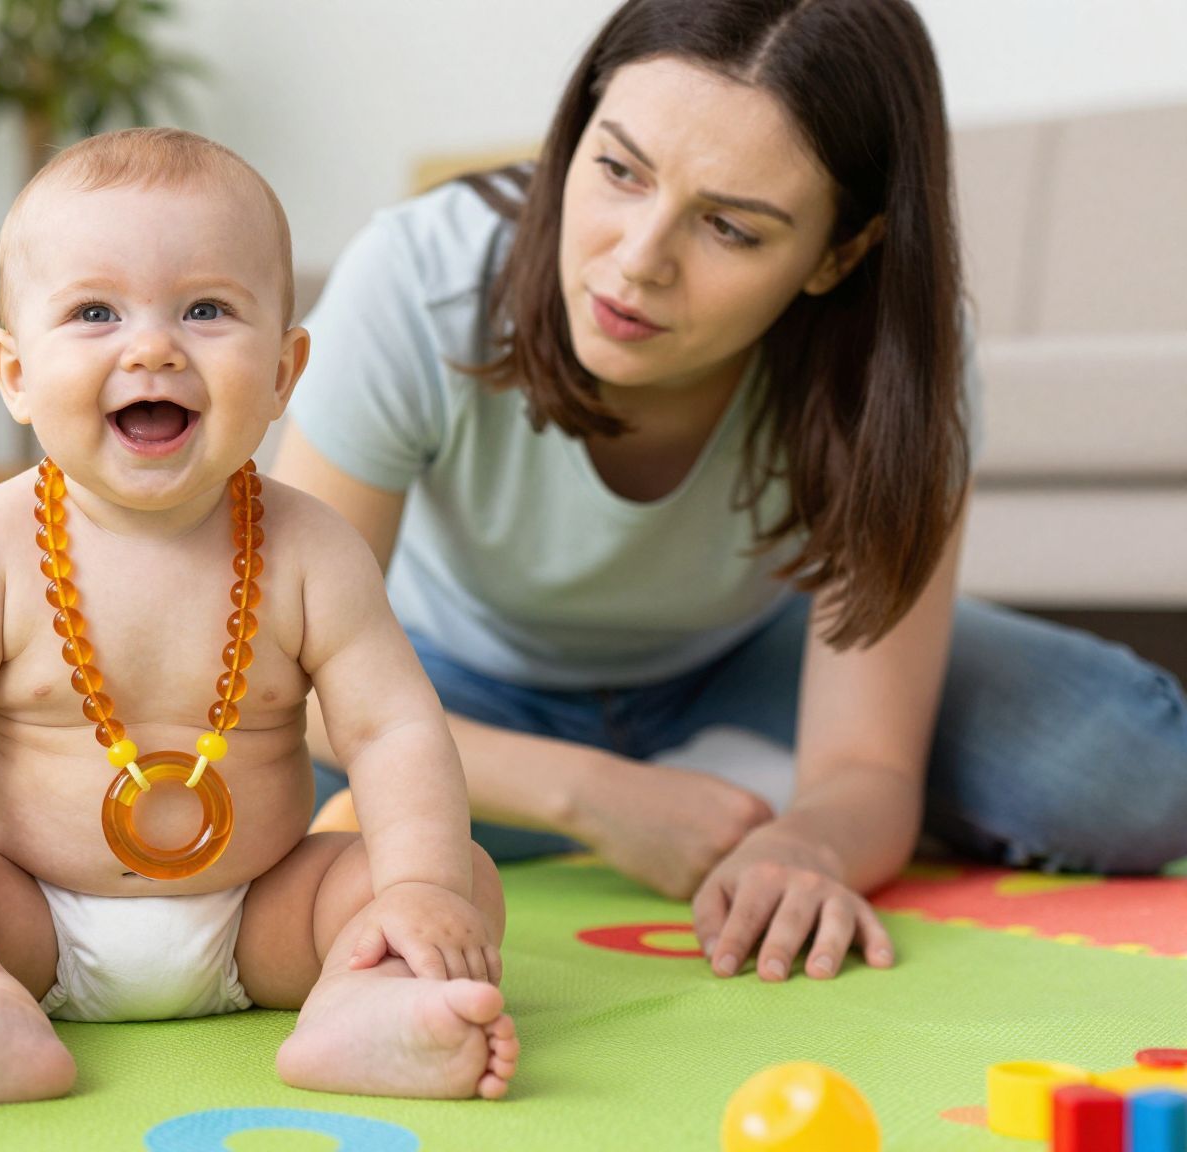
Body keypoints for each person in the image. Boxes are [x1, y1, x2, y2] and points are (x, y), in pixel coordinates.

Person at [277, 0, 1187, 987]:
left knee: (1128, 774)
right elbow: (299, 687)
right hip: (433, 684)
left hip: (744, 655)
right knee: (209, 785)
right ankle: (696, 789)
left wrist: (812, 845)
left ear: (837, 255)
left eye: (728, 228)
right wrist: (591, 796)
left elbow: (867, 767)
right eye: (617, 170)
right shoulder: (419, 280)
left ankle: (724, 792)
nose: (636, 260)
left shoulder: (896, 362)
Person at [0, 127, 517, 1111]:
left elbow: (389, 729)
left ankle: (369, 1005)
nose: (151, 346)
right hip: (27, 917)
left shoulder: (311, 550)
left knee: (460, 880)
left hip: (262, 916)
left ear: (281, 370)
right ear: (13, 372)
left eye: (207, 309)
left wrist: (418, 889)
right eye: (94, 311)